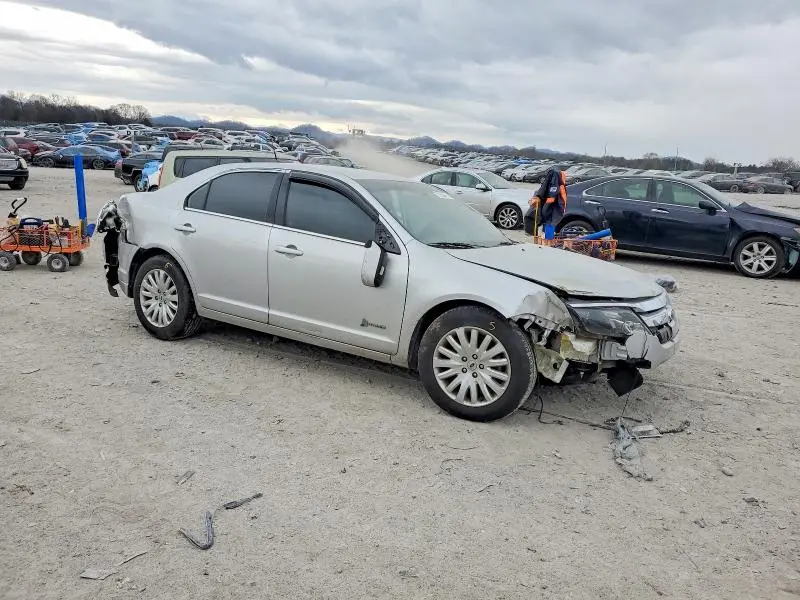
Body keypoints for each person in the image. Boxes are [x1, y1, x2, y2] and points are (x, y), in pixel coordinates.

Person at [524, 167, 567, 237]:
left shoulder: (555, 180)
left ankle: (547, 239)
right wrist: (546, 208)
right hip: (553, 209)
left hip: (553, 208)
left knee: (549, 224)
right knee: (550, 224)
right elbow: (552, 197)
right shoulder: (556, 180)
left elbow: (551, 196)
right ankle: (547, 240)